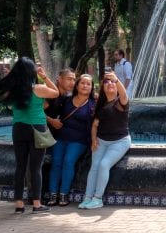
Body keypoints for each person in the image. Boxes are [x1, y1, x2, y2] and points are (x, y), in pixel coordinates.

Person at [0, 57, 60, 214]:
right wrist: (44, 76)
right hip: (36, 129)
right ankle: (37, 204)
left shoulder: (12, 91)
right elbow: (56, 93)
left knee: (20, 166)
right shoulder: (38, 89)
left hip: (18, 128)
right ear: (32, 72)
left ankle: (19, 204)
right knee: (35, 168)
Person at [80, 70, 130, 209]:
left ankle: (98, 199)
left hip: (120, 141)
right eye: (106, 82)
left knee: (104, 164)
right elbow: (95, 125)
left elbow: (124, 94)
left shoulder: (121, 102)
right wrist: (93, 139)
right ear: (102, 87)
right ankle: (87, 197)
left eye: (112, 82)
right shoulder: (100, 104)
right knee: (94, 166)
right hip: (101, 140)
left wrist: (116, 79)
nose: (110, 84)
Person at [45, 74, 96, 207]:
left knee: (68, 161)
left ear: (92, 88)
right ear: (77, 85)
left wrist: (94, 142)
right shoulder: (66, 100)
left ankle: (64, 194)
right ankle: (53, 193)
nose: (85, 86)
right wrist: (52, 121)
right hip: (61, 137)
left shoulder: (93, 104)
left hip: (79, 140)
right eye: (82, 83)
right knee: (56, 162)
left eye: (88, 84)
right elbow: (48, 108)